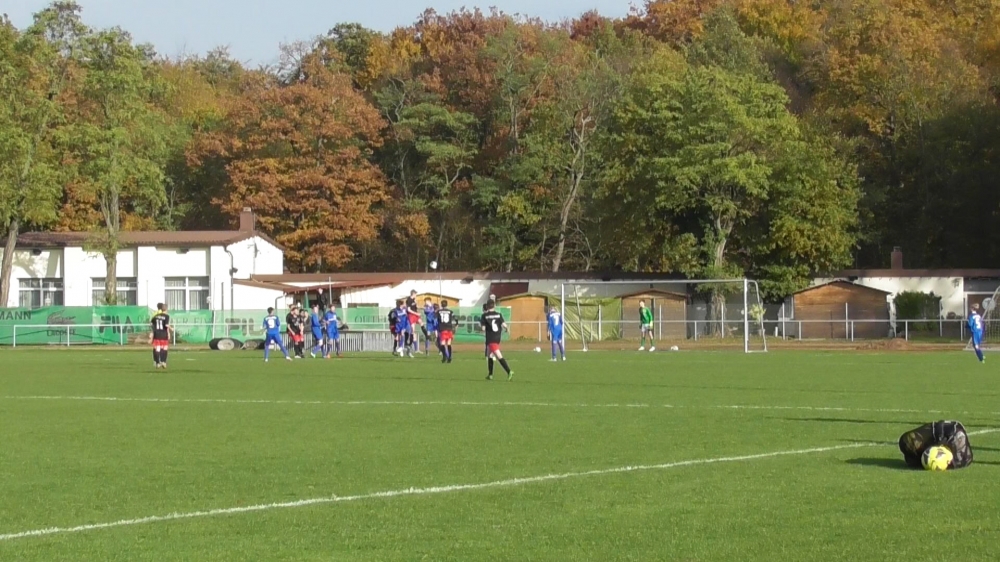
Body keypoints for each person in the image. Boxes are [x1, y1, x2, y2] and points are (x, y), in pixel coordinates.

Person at [481, 300, 513, 381]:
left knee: (499, 356)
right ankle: (490, 374)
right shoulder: (499, 315)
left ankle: (509, 371)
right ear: (494, 306)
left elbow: (483, 328)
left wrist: (481, 329)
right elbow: (504, 325)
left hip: (490, 338)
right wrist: (507, 329)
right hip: (497, 337)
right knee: (489, 355)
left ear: (487, 306)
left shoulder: (484, 316)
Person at [148, 303, 173, 369]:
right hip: (164, 335)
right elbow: (166, 325)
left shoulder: (156, 316)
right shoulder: (166, 316)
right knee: (165, 348)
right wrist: (171, 329)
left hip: (157, 334)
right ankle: (163, 362)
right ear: (166, 309)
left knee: (157, 349)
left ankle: (157, 362)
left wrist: (153, 332)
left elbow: (151, 323)